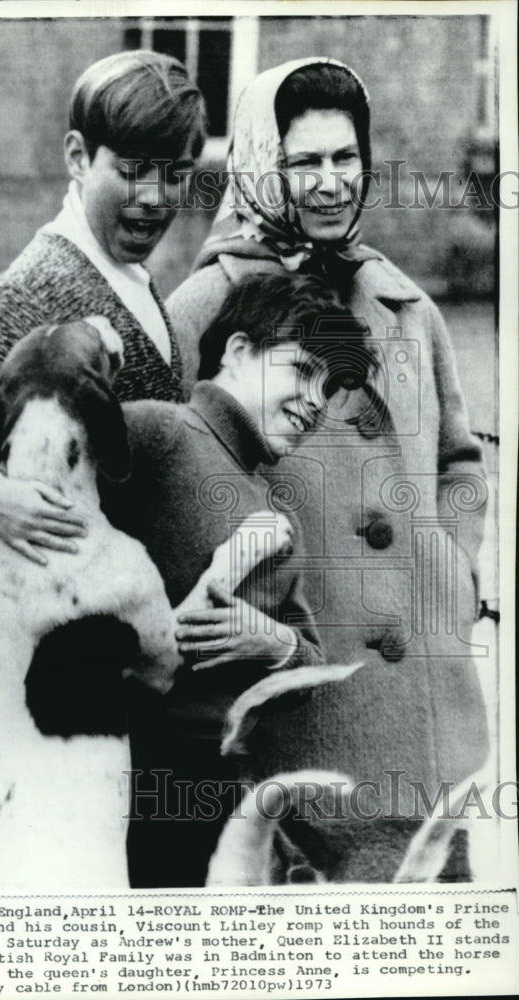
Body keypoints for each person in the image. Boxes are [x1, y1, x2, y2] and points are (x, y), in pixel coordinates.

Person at [166, 58, 489, 880]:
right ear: (261, 166)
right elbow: (163, 467)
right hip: (297, 709)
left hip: (422, 706)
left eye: (344, 158)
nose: (329, 182)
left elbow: (458, 459)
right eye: (303, 161)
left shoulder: (403, 303)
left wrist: (447, 567)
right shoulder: (206, 309)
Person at [97, 271, 376, 888]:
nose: (315, 400)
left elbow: (312, 657)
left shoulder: (274, 507)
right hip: (130, 767)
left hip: (224, 782)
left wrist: (269, 640)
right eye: (303, 371)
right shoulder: (163, 431)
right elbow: (47, 463)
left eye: (329, 389)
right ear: (240, 352)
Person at [0, 49, 206, 563]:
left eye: (175, 175)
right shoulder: (41, 283)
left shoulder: (123, 270)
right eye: (134, 169)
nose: (154, 196)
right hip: (81, 616)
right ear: (78, 157)